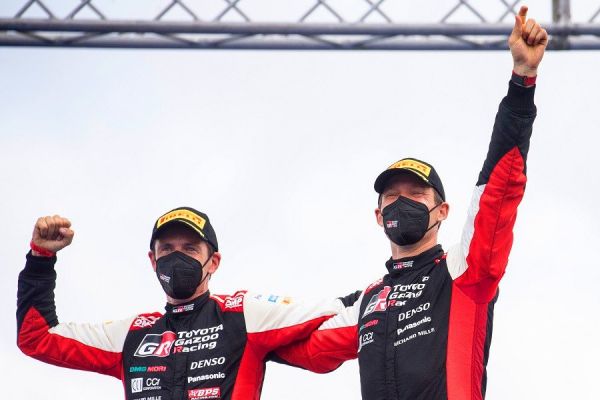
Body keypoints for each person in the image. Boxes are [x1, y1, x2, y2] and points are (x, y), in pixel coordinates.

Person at [274, 6, 547, 400]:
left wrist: (523, 81)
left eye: (417, 195)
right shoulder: (367, 302)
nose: (402, 203)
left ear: (442, 211)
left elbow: (500, 188)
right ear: (378, 215)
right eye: (392, 197)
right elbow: (304, 348)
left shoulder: (463, 271)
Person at [17, 206, 349, 400]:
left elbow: (334, 309)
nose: (177, 257)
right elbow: (38, 338)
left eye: (190, 248)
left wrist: (382, 290)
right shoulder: (132, 334)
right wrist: (40, 258)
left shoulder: (243, 313)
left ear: (213, 262)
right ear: (152, 260)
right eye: (167, 249)